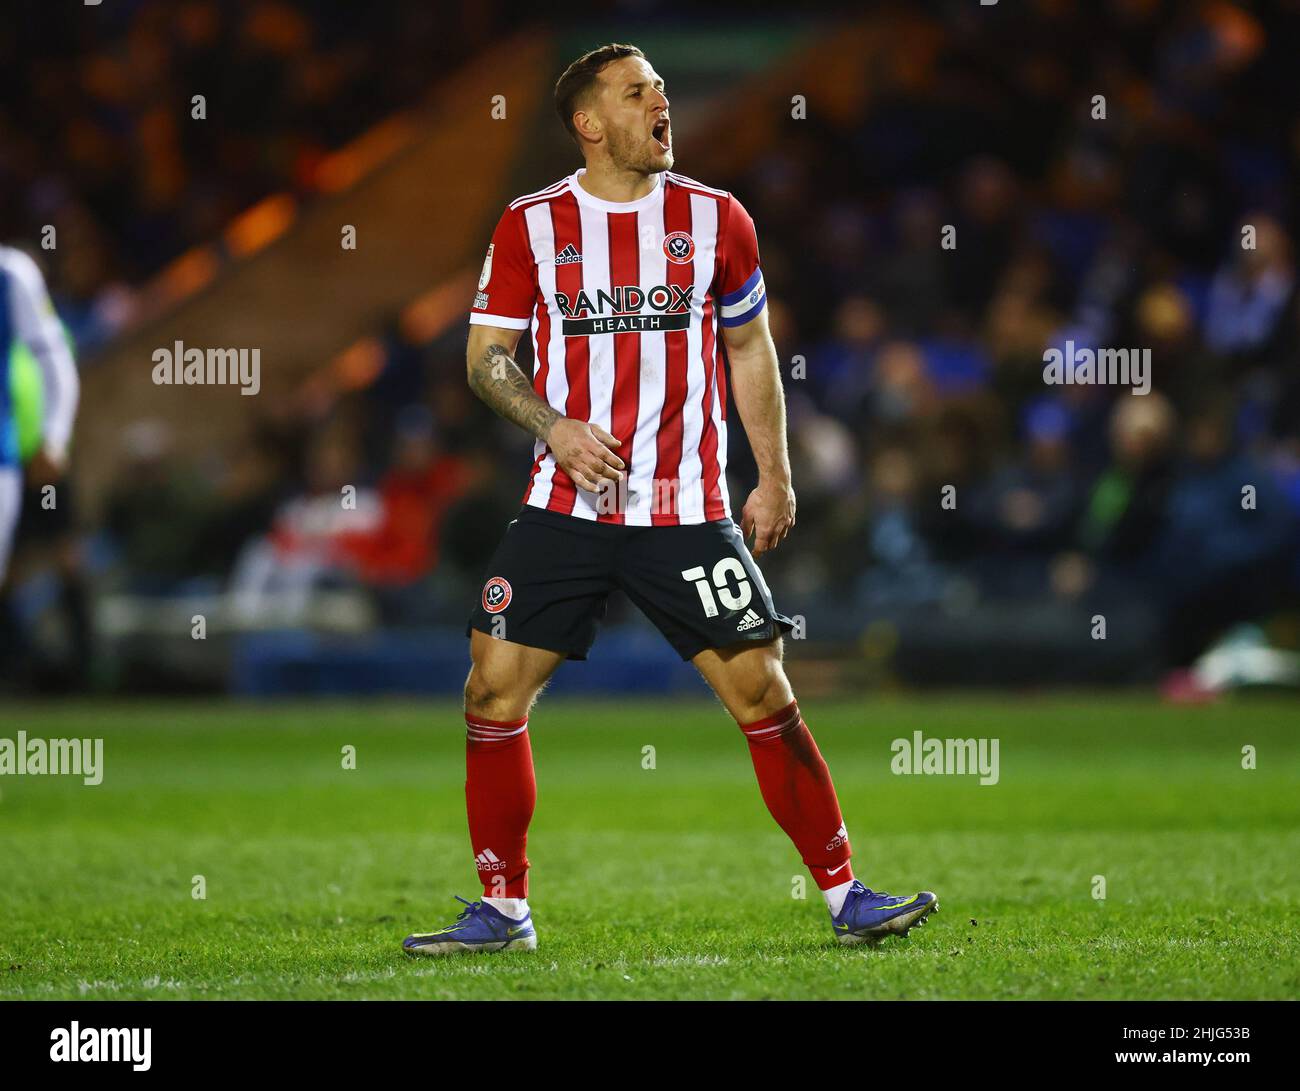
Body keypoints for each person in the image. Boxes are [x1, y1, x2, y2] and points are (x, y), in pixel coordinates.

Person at [403, 44, 936, 956]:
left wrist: (774, 474)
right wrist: (555, 426)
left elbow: (750, 349)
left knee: (764, 691)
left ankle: (849, 895)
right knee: (492, 691)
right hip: (565, 504)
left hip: (686, 509)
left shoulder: (717, 218)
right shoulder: (531, 225)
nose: (661, 100)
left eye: (660, 87)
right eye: (637, 90)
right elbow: (486, 357)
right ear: (590, 124)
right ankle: (505, 910)